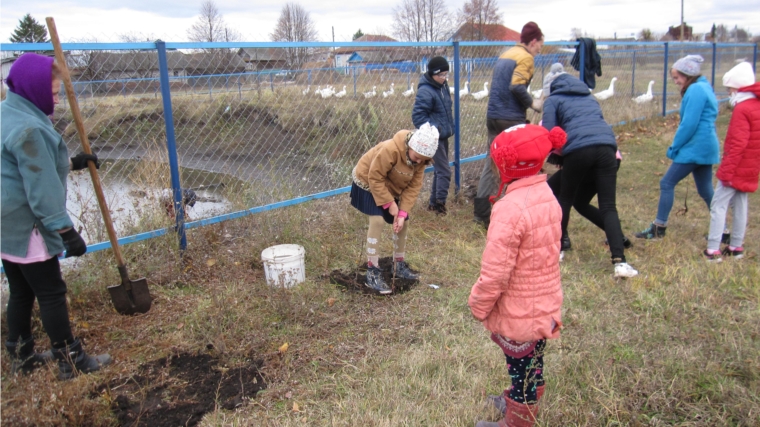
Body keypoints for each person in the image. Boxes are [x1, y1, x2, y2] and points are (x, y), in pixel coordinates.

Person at [1, 53, 112, 379]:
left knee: (21, 291)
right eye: (52, 89)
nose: (56, 95)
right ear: (34, 87)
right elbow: (41, 188)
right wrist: (64, 230)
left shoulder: (8, 113)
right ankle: (71, 360)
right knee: (51, 292)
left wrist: (72, 163)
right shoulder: (30, 128)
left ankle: (21, 357)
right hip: (28, 226)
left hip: (5, 226)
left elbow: (23, 167)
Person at [468, 124, 566, 427]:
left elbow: (496, 271)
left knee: (521, 365)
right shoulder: (545, 192)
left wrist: (479, 303)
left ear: (506, 165)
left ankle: (518, 419)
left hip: (520, 308)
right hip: (543, 303)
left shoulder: (510, 208)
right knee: (532, 360)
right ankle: (517, 397)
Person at [542, 72, 638, 277]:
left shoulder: (553, 99)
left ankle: (557, 251)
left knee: (565, 199)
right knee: (608, 206)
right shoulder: (589, 98)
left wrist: (552, 154)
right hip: (608, 151)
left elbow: (549, 133)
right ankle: (620, 262)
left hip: (579, 151)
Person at [635, 55, 720, 239]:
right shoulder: (705, 87)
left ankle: (659, 227)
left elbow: (689, 124)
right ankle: (722, 230)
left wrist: (675, 146)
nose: (676, 82)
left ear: (688, 74)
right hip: (706, 145)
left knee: (667, 182)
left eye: (677, 77)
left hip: (695, 146)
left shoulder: (696, 90)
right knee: (706, 189)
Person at [350, 123, 439, 294]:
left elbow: (413, 188)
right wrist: (390, 204)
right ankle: (372, 270)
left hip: (389, 187)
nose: (419, 162)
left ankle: (398, 265)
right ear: (411, 146)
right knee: (377, 220)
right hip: (368, 181)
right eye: (417, 157)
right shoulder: (391, 149)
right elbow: (375, 177)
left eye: (422, 160)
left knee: (403, 222)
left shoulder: (420, 160)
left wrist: (402, 212)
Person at [473, 21, 545, 228]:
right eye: (540, 44)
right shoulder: (526, 58)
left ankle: (481, 214)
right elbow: (516, 86)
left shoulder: (507, 54)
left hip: (493, 117)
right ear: (533, 41)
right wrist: (534, 104)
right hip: (510, 118)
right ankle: (516, 210)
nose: (540, 49)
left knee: (491, 161)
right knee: (519, 163)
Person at [703, 62, 760, 261]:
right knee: (741, 204)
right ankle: (736, 246)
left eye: (729, 89)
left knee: (718, 205)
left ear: (737, 88)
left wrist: (726, 172)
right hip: (750, 166)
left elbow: (738, 143)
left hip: (735, 166)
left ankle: (713, 248)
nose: (728, 93)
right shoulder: (756, 106)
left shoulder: (742, 109)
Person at [412, 56, 454, 215]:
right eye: (441, 75)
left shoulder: (442, 87)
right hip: (434, 138)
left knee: (439, 170)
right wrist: (434, 129)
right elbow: (418, 117)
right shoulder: (425, 91)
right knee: (444, 171)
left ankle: (433, 204)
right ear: (433, 74)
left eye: (446, 74)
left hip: (443, 135)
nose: (444, 78)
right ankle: (440, 207)